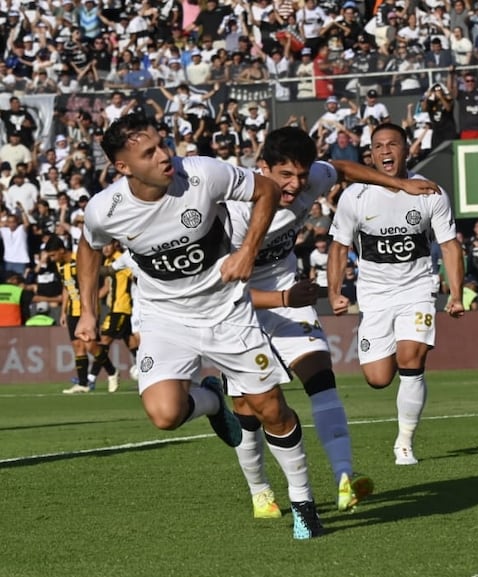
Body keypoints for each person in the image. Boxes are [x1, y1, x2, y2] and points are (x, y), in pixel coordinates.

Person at [74, 114, 323, 540]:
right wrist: (88, 312)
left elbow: (265, 190)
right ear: (123, 167)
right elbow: (89, 248)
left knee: (271, 410)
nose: (164, 155)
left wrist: (247, 251)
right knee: (165, 414)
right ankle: (210, 398)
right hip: (164, 317)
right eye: (148, 152)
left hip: (227, 311)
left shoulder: (202, 173)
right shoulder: (105, 208)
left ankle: (303, 502)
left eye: (162, 143)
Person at [225, 126, 438, 515]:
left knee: (321, 377)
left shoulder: (310, 180)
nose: (295, 185)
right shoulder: (233, 213)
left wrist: (398, 184)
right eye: (284, 176)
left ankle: (345, 477)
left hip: (289, 295)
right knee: (248, 407)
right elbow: (220, 290)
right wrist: (282, 297)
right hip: (237, 308)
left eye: (302, 175)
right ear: (262, 168)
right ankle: (259, 490)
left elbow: (339, 169)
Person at [327, 123, 465, 466]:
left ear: (406, 149)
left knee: (412, 358)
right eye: (378, 146)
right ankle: (401, 426)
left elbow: (449, 244)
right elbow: (339, 247)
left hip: (417, 289)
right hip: (374, 296)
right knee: (378, 378)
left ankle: (404, 443)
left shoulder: (431, 192)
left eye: (392, 144)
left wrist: (456, 293)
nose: (385, 151)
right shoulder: (355, 196)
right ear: (370, 154)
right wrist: (334, 293)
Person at [46, 236, 106, 394]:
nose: (52, 259)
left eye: (53, 255)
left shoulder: (79, 260)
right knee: (77, 346)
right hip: (72, 310)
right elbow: (66, 287)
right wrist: (63, 311)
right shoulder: (60, 266)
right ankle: (83, 383)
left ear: (61, 250)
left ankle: (112, 371)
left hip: (86, 310)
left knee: (90, 346)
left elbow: (92, 282)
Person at [87, 239, 137, 392]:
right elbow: (107, 287)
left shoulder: (121, 259)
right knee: (132, 344)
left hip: (121, 308)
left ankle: (92, 377)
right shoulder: (109, 261)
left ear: (115, 244)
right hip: (115, 308)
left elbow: (135, 276)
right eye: (103, 246)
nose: (105, 249)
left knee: (104, 341)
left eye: (107, 245)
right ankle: (148, 371)